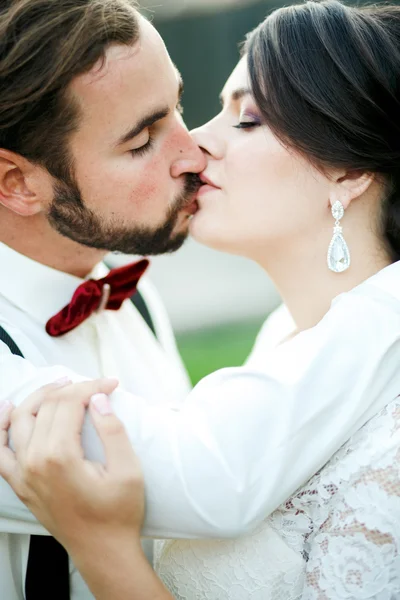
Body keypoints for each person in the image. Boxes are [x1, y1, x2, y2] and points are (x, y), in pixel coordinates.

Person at [2, 0, 400, 598]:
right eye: (142, 140)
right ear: (18, 184)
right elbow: (211, 477)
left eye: (184, 109)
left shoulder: (134, 301)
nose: (193, 151)